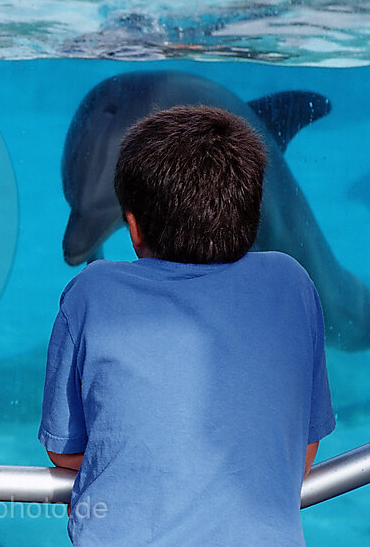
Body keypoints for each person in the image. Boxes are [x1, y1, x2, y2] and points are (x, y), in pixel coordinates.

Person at [39, 104, 335, 546]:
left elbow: (63, 451)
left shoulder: (93, 291)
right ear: (252, 214)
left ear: (132, 226)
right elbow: (302, 447)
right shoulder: (290, 281)